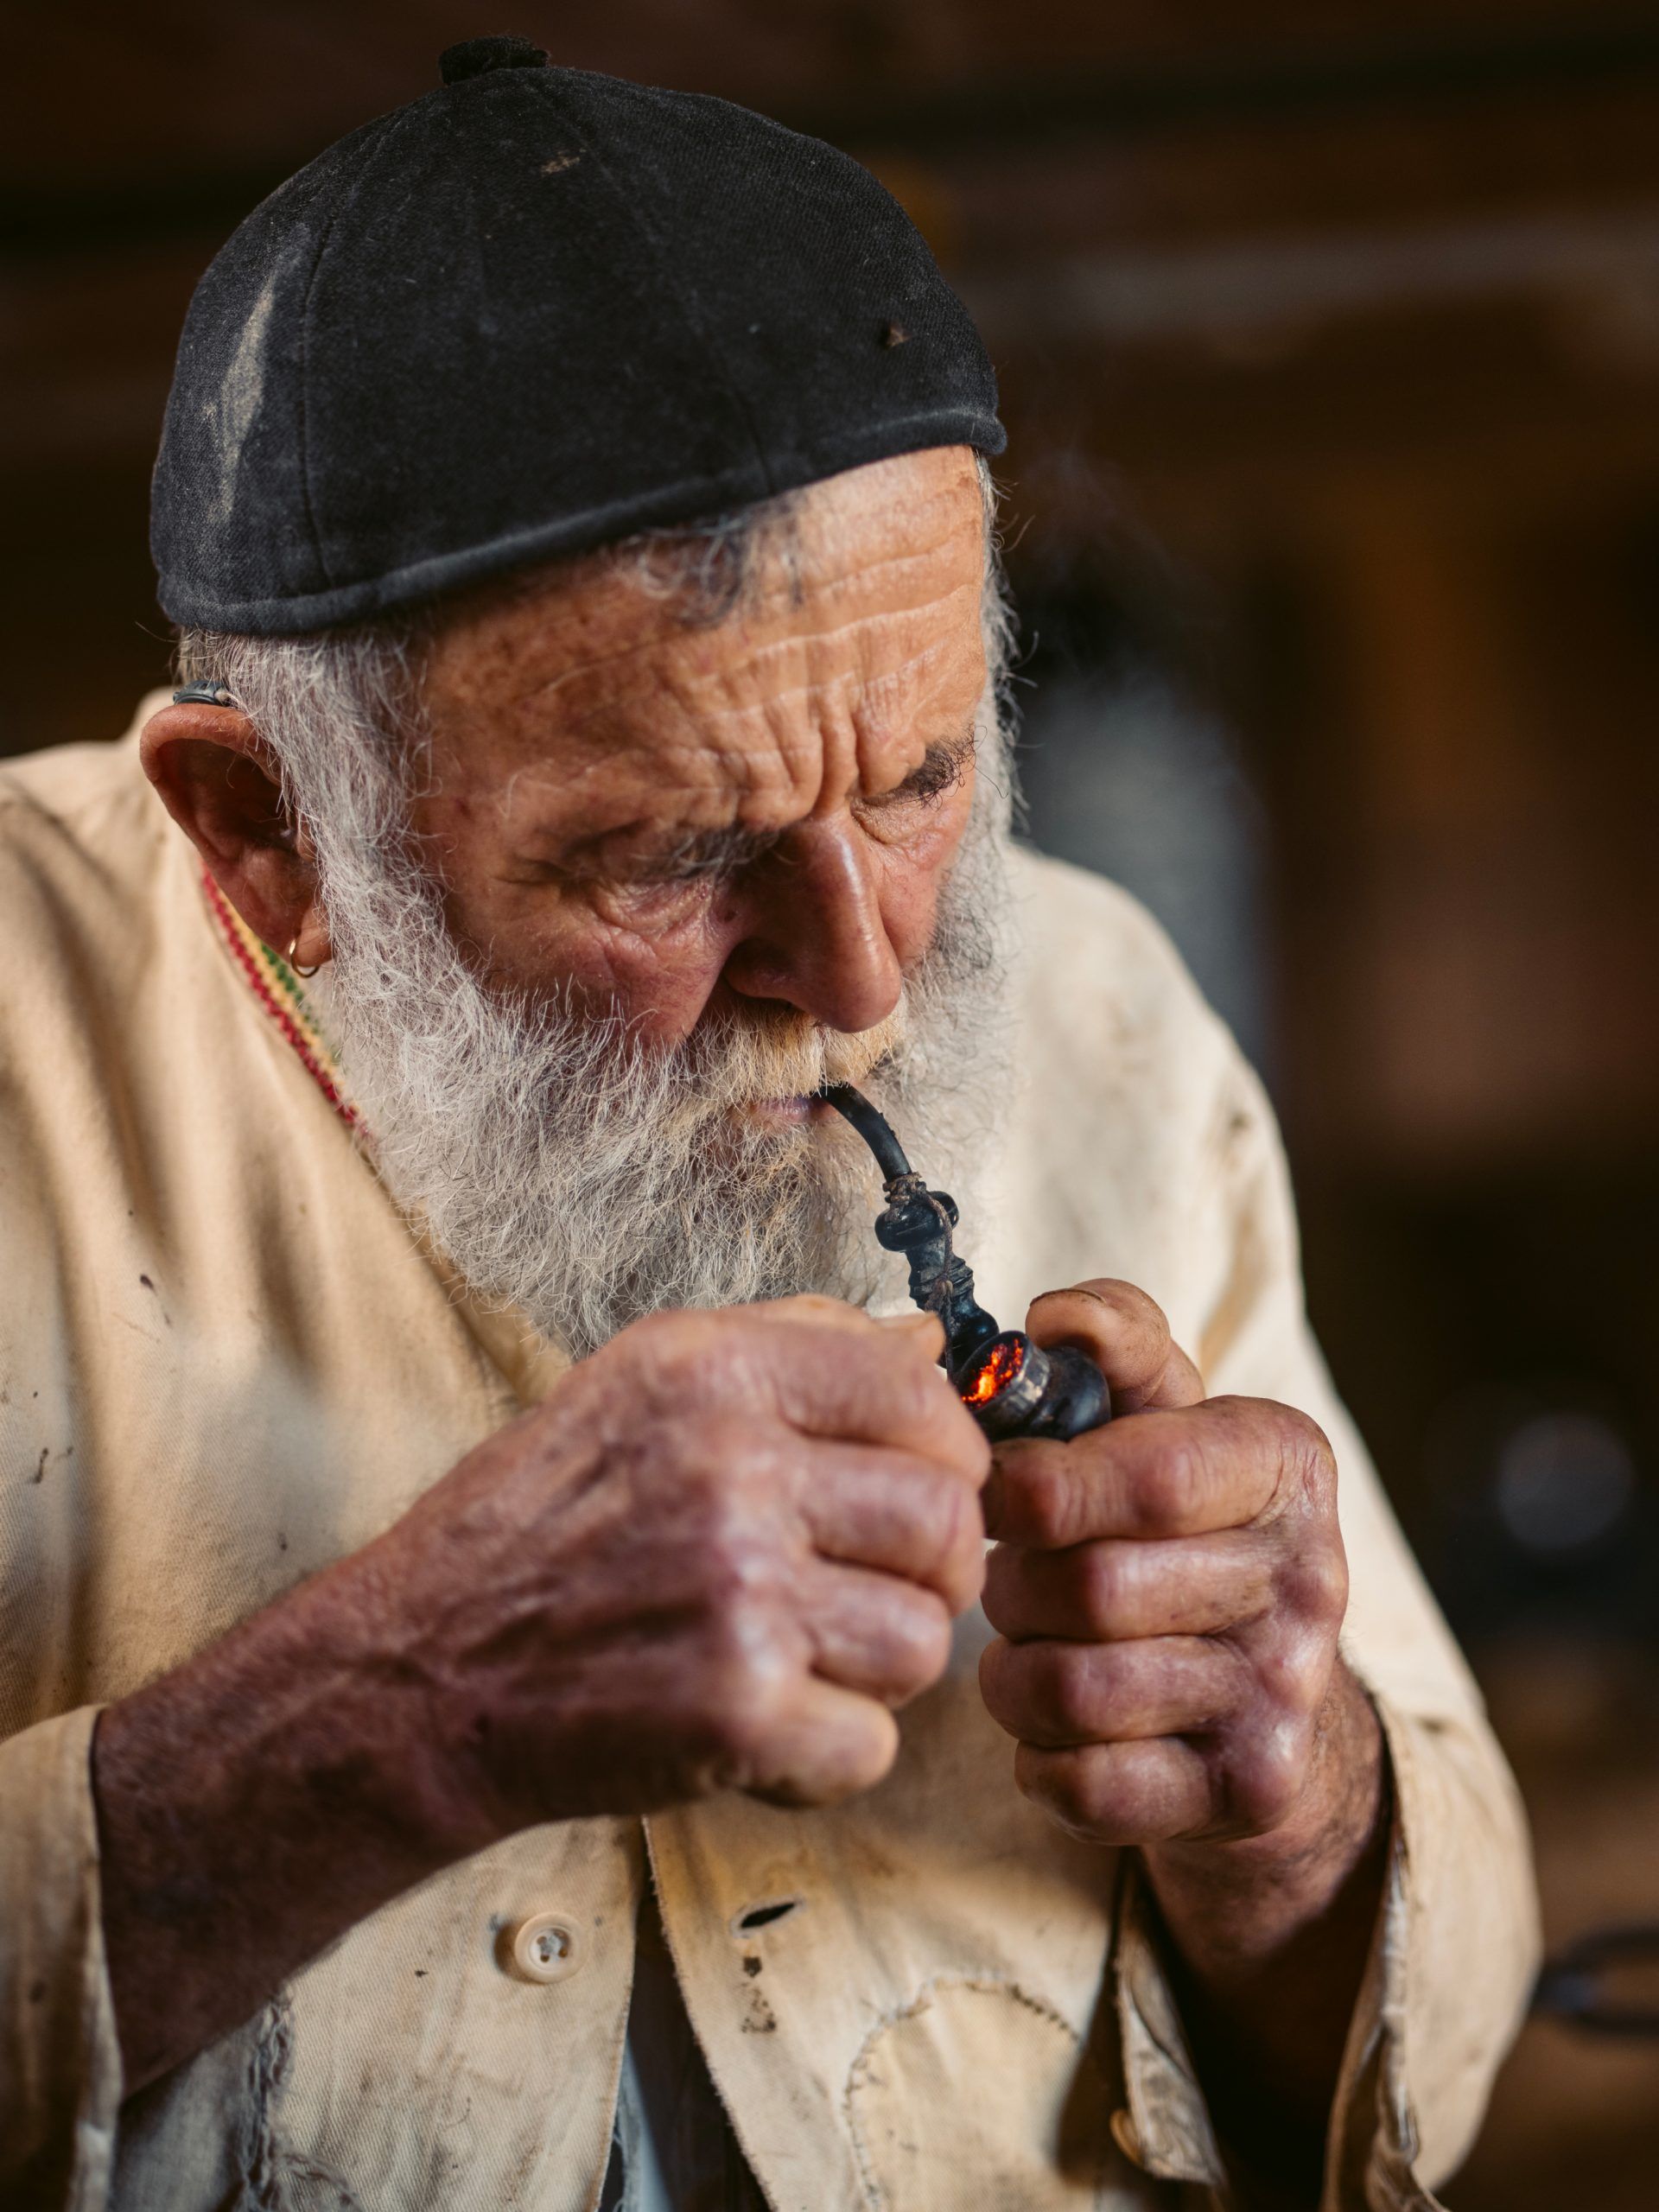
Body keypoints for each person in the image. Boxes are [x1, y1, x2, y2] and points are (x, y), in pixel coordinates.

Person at [0, 36, 1535, 2212]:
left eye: (919, 781)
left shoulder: (1095, 1010)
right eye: (669, 852)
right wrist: (389, 1717)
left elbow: (1423, 2074)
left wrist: (1290, 1810)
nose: (873, 974)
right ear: (266, 828)